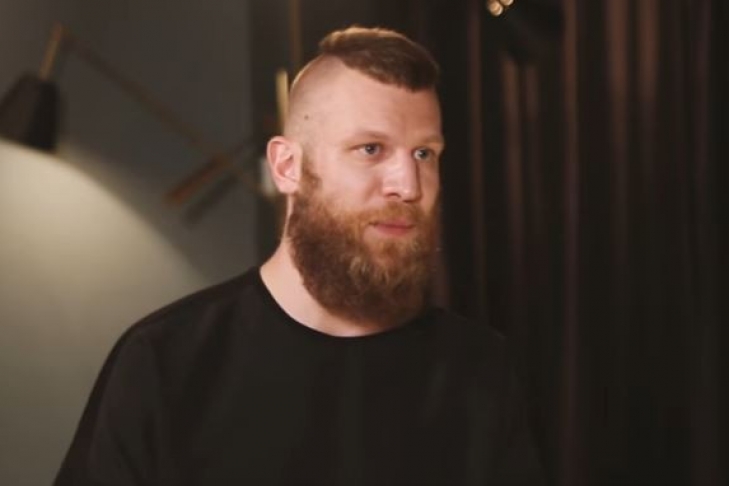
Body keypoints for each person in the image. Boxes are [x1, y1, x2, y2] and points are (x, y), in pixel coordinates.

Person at [54, 26, 544, 486]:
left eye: (424, 154)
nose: (409, 186)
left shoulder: (479, 370)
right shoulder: (164, 363)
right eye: (371, 149)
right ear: (287, 166)